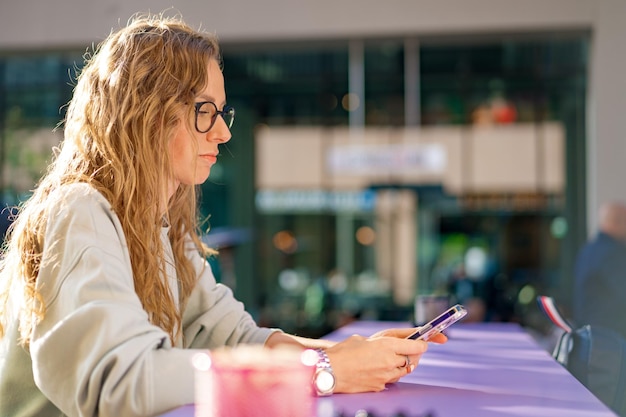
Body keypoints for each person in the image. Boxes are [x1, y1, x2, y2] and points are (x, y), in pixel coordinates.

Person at [0, 13, 446, 417]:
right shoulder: (80, 210)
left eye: (221, 111)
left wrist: (353, 355)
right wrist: (322, 370)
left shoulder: (159, 225)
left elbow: (232, 337)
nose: (224, 130)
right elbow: (118, 382)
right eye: (204, 111)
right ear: (149, 113)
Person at [573, 201, 626, 338]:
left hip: (592, 334)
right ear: (617, 222)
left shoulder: (589, 250)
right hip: (611, 338)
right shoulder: (613, 254)